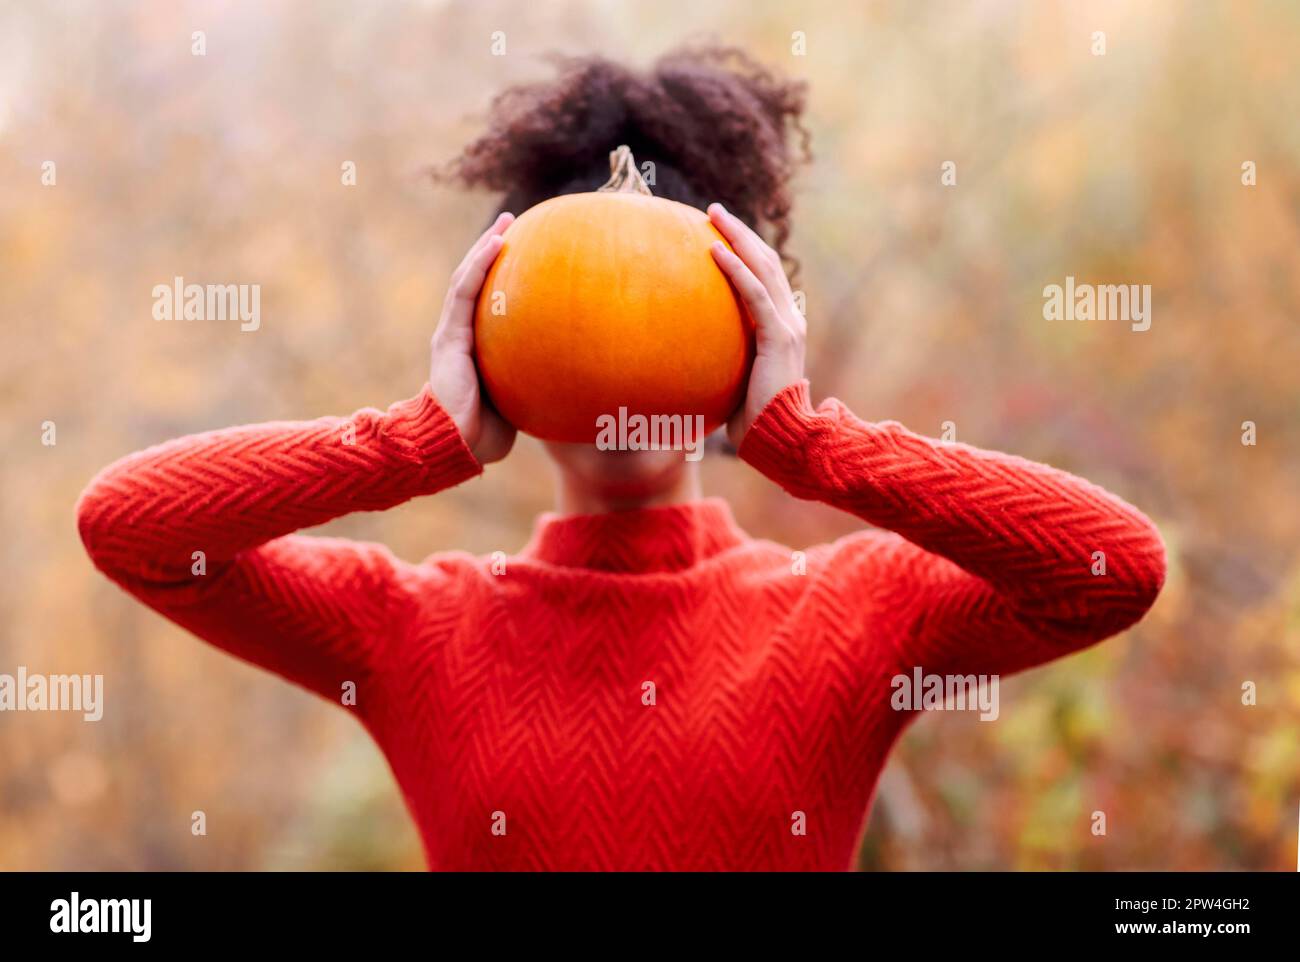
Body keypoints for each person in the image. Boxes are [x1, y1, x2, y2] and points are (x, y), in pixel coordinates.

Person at [76, 46, 1165, 870]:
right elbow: (131, 530)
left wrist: (802, 438)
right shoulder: (408, 629)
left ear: (746, 333)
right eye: (577, 310)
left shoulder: (854, 613)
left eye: (664, 312)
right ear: (496, 336)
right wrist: (418, 440)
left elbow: (1112, 568)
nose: (619, 362)